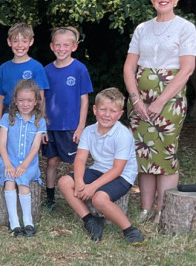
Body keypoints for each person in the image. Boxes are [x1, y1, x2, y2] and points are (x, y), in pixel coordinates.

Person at [123, 0, 196, 224]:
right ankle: (145, 208)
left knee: (164, 153)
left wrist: (159, 101)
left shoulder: (185, 28)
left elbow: (186, 69)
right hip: (139, 100)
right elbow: (129, 67)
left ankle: (162, 210)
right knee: (143, 153)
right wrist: (135, 100)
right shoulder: (142, 28)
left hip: (169, 101)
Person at [58, 88, 144, 245]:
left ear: (120, 114)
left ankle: (129, 229)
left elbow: (118, 169)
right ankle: (90, 220)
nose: (106, 115)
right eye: (103, 109)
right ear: (95, 109)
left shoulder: (123, 135)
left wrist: (93, 187)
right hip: (98, 169)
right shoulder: (89, 131)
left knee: (99, 199)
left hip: (122, 175)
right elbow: (80, 159)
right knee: (64, 182)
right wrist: (78, 181)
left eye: (112, 111)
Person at [41, 26, 93, 211]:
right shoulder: (46, 70)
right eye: (58, 45)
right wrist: (42, 126)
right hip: (51, 126)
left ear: (74, 47)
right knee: (52, 161)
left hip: (71, 126)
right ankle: (50, 198)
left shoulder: (79, 69)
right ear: (52, 46)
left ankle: (82, 195)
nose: (61, 48)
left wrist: (80, 127)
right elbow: (42, 100)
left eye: (66, 45)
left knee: (75, 163)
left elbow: (84, 100)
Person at [0, 80, 47, 237]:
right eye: (21, 100)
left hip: (28, 164)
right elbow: (2, 144)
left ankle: (28, 221)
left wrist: (24, 166)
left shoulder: (40, 122)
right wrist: (8, 164)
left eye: (29, 100)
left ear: (36, 102)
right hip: (8, 161)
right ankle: (14, 223)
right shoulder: (7, 118)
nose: (25, 104)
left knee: (23, 181)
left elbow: (35, 148)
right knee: (10, 180)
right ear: (15, 101)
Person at [0, 22, 48, 134]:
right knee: (8, 148)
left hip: (30, 113)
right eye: (15, 41)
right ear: (9, 42)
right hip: (8, 113)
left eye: (24, 41)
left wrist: (40, 121)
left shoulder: (37, 67)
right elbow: (0, 97)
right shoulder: (3, 68)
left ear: (31, 42)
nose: (19, 45)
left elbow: (41, 98)